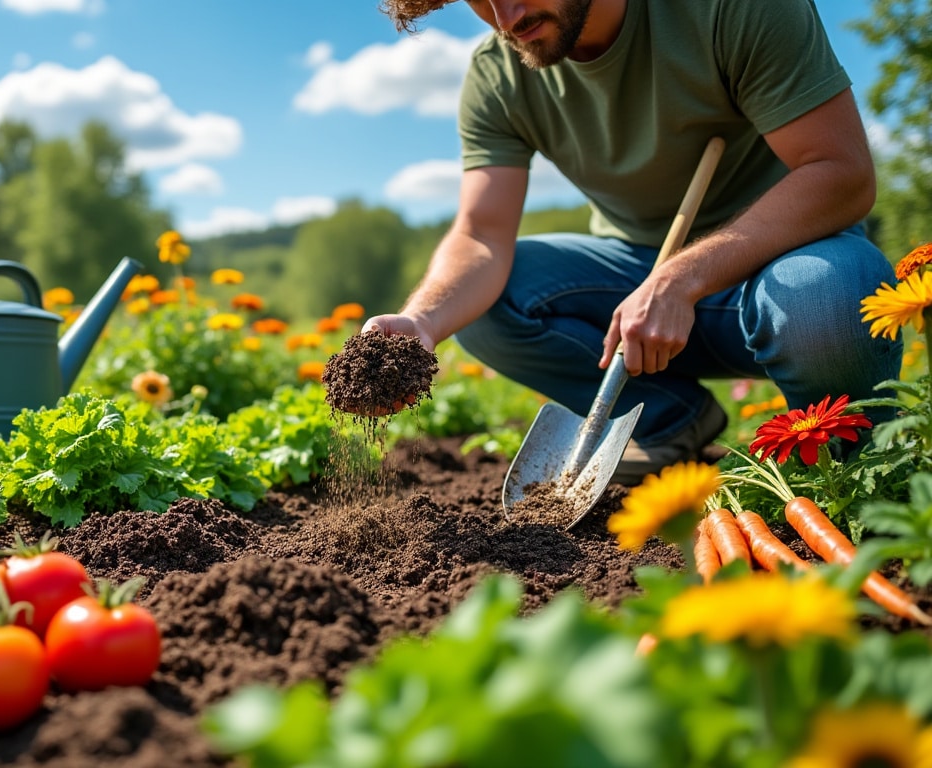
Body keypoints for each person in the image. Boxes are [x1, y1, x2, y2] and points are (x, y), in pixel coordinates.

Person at [361, 0, 903, 484]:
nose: (507, 18)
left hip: (783, 271)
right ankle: (668, 419)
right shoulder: (498, 73)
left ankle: (845, 471)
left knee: (831, 297)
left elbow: (842, 174)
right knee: (483, 300)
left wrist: (683, 276)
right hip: (630, 298)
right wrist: (424, 322)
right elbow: (481, 233)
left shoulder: (734, 9)